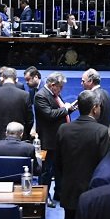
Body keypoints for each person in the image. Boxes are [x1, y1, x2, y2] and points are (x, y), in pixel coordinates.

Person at [54, 91, 110, 219]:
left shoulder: (64, 129)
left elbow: (58, 164)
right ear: (95, 108)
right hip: (95, 194)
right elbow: (106, 166)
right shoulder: (102, 132)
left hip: (70, 192)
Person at [33, 72, 77, 201]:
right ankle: (45, 196)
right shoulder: (40, 96)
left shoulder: (54, 94)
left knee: (59, 168)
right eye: (60, 86)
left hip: (59, 138)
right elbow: (49, 114)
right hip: (49, 140)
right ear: (53, 85)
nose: (62, 89)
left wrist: (71, 108)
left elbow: (60, 111)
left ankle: (59, 193)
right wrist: (66, 109)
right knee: (47, 170)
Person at [0, 66, 33, 144]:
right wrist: (24, 133)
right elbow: (30, 120)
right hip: (18, 138)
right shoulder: (25, 95)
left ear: (2, 78)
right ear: (16, 79)